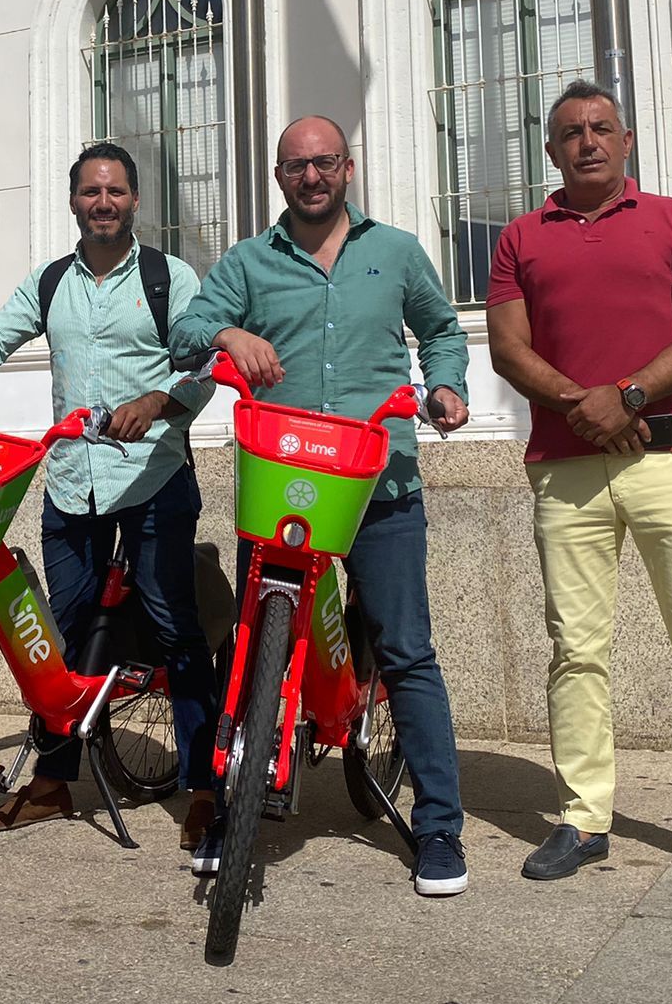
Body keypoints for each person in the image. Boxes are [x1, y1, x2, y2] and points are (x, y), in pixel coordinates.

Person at [485, 80, 672, 902]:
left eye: (601, 129)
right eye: (570, 133)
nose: (587, 141)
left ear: (626, 142)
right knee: (577, 652)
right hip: (565, 472)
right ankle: (584, 820)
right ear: (550, 152)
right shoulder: (521, 237)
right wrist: (579, 405)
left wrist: (621, 397)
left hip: (671, 462)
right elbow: (509, 351)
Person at [170, 114, 474, 897]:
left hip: (381, 480)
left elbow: (442, 330)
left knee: (406, 649)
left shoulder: (397, 251)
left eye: (326, 163)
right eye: (297, 166)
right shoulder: (247, 261)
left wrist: (443, 386)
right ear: (280, 177)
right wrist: (229, 333)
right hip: (286, 482)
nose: (312, 177)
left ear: (348, 168)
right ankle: (235, 805)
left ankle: (439, 825)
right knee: (250, 651)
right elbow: (187, 333)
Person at [0, 141, 219, 853]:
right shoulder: (51, 282)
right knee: (63, 638)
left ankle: (204, 784)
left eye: (114, 192)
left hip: (154, 476)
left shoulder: (171, 278)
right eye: (89, 192)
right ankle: (52, 781)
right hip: (72, 481)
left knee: (177, 631)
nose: (102, 203)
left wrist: (158, 400)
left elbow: (203, 369)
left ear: (135, 201)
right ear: (73, 201)